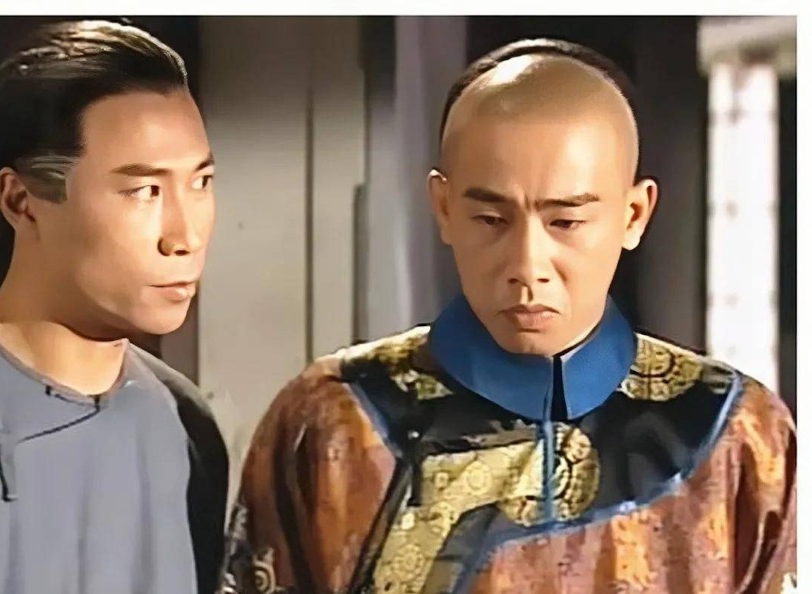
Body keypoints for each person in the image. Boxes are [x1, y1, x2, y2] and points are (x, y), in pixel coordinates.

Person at [220, 39, 796, 594]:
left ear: (633, 214)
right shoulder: (333, 419)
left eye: (565, 222)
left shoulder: (735, 433)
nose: (527, 266)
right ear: (444, 208)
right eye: (491, 220)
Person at [0, 20, 227, 594]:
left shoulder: (182, 423)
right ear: (22, 200)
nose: (184, 236)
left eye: (201, 182)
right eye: (145, 191)